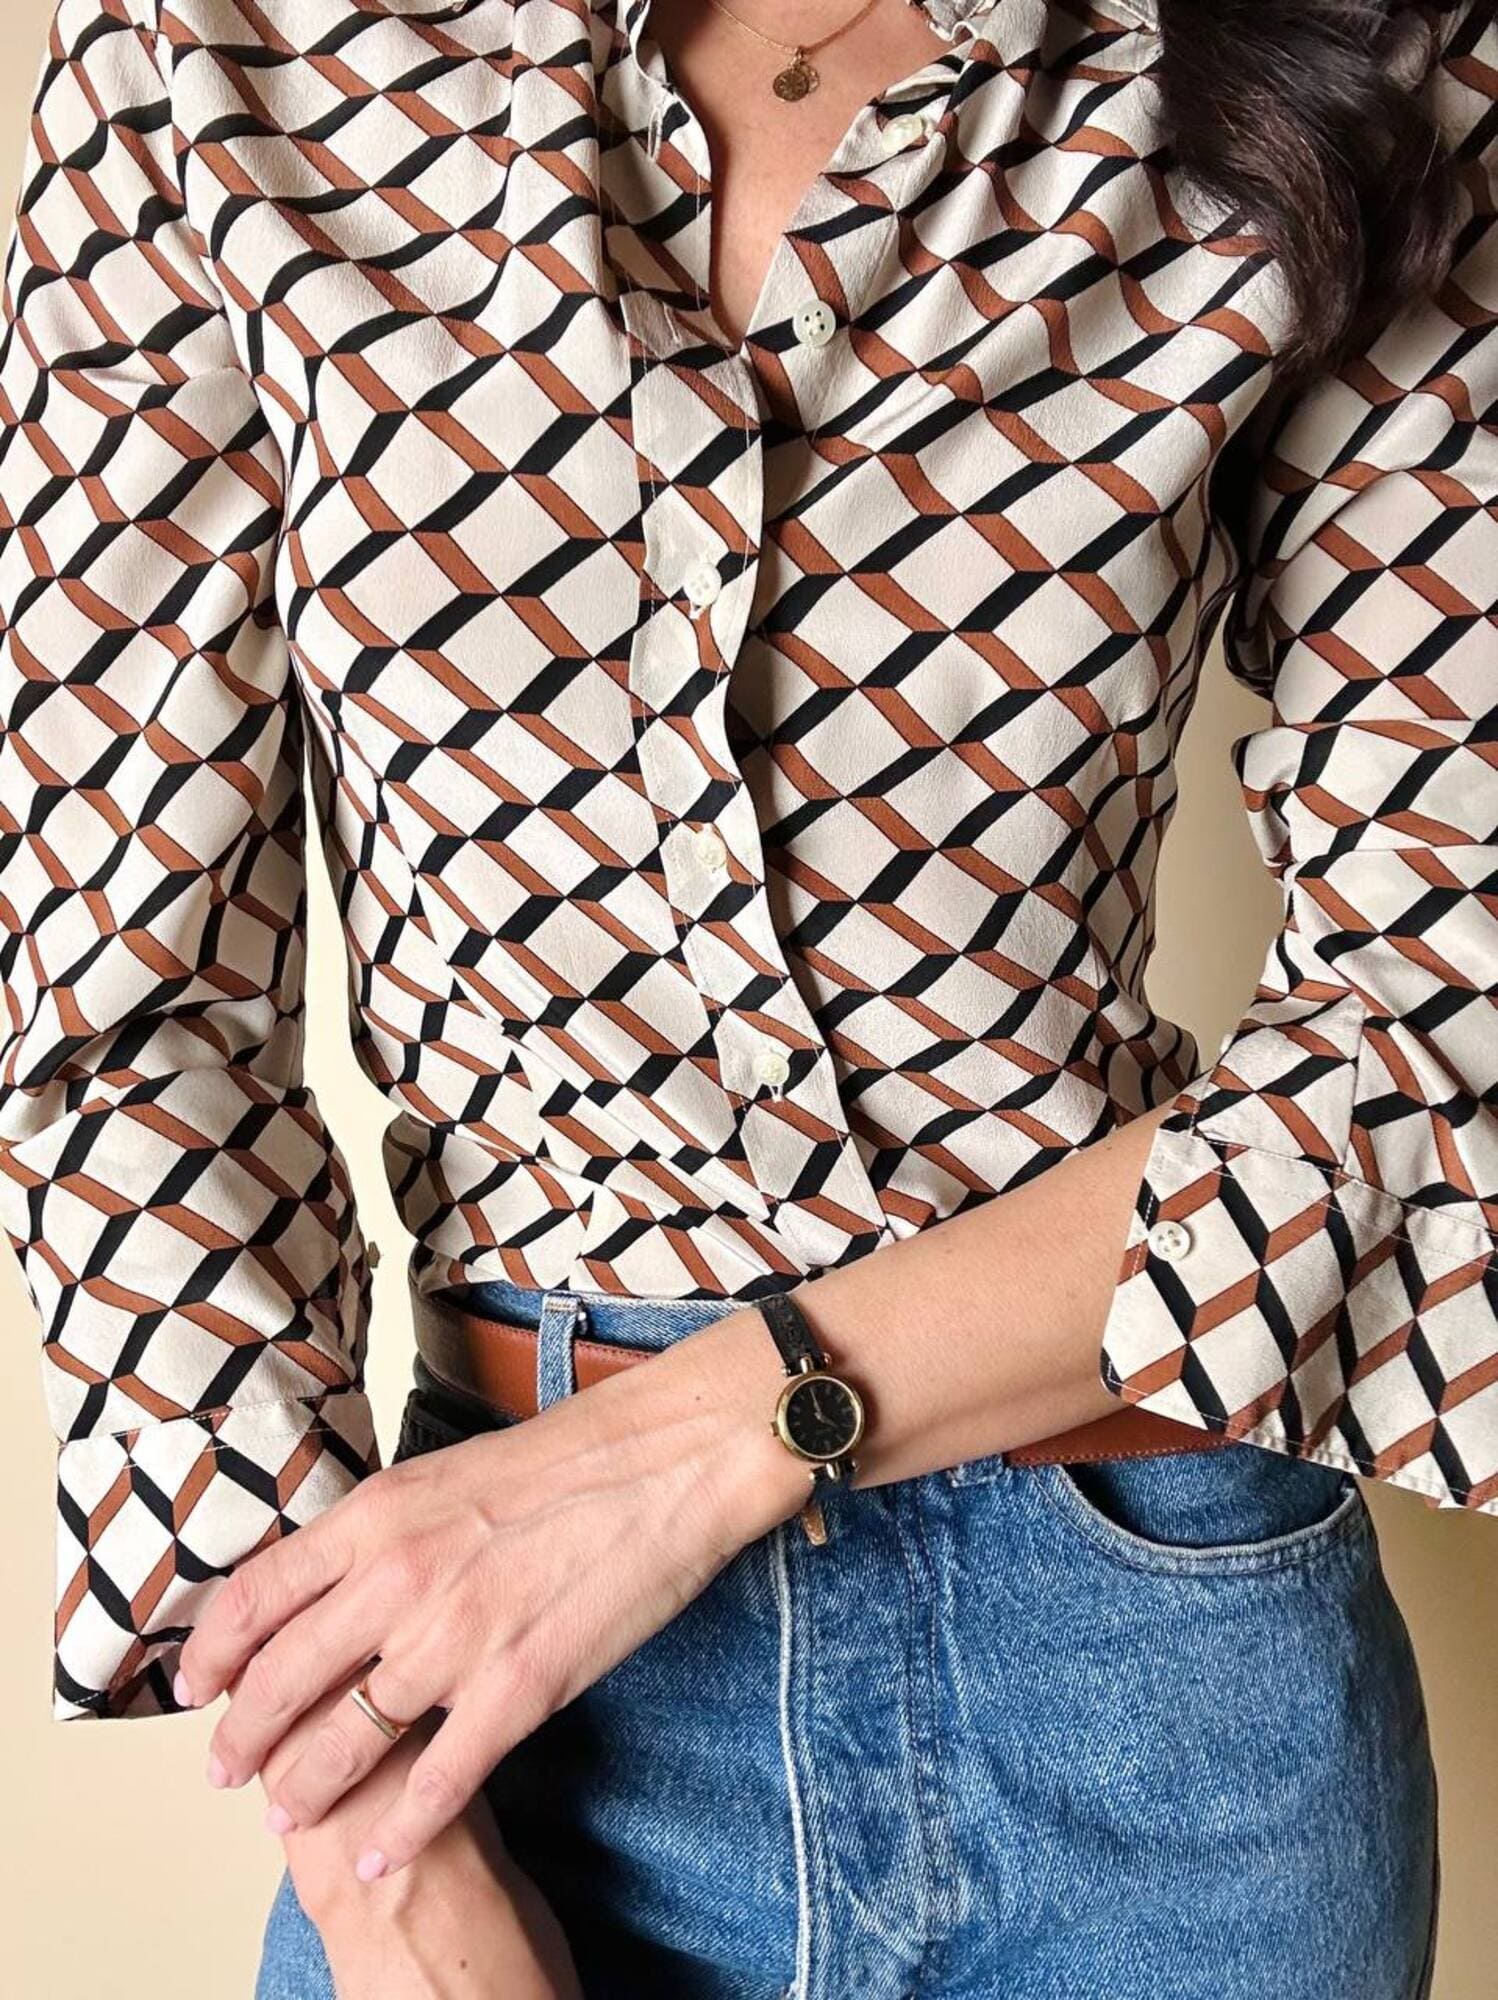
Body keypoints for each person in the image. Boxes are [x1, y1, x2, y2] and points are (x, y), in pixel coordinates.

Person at [1, 0, 1492, 1993]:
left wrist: (701, 1446)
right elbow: (117, 1021)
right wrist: (379, 1849)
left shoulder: (1359, 45)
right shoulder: (214, 49)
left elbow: (1448, 999)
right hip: (492, 1710)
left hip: (1159, 1674)